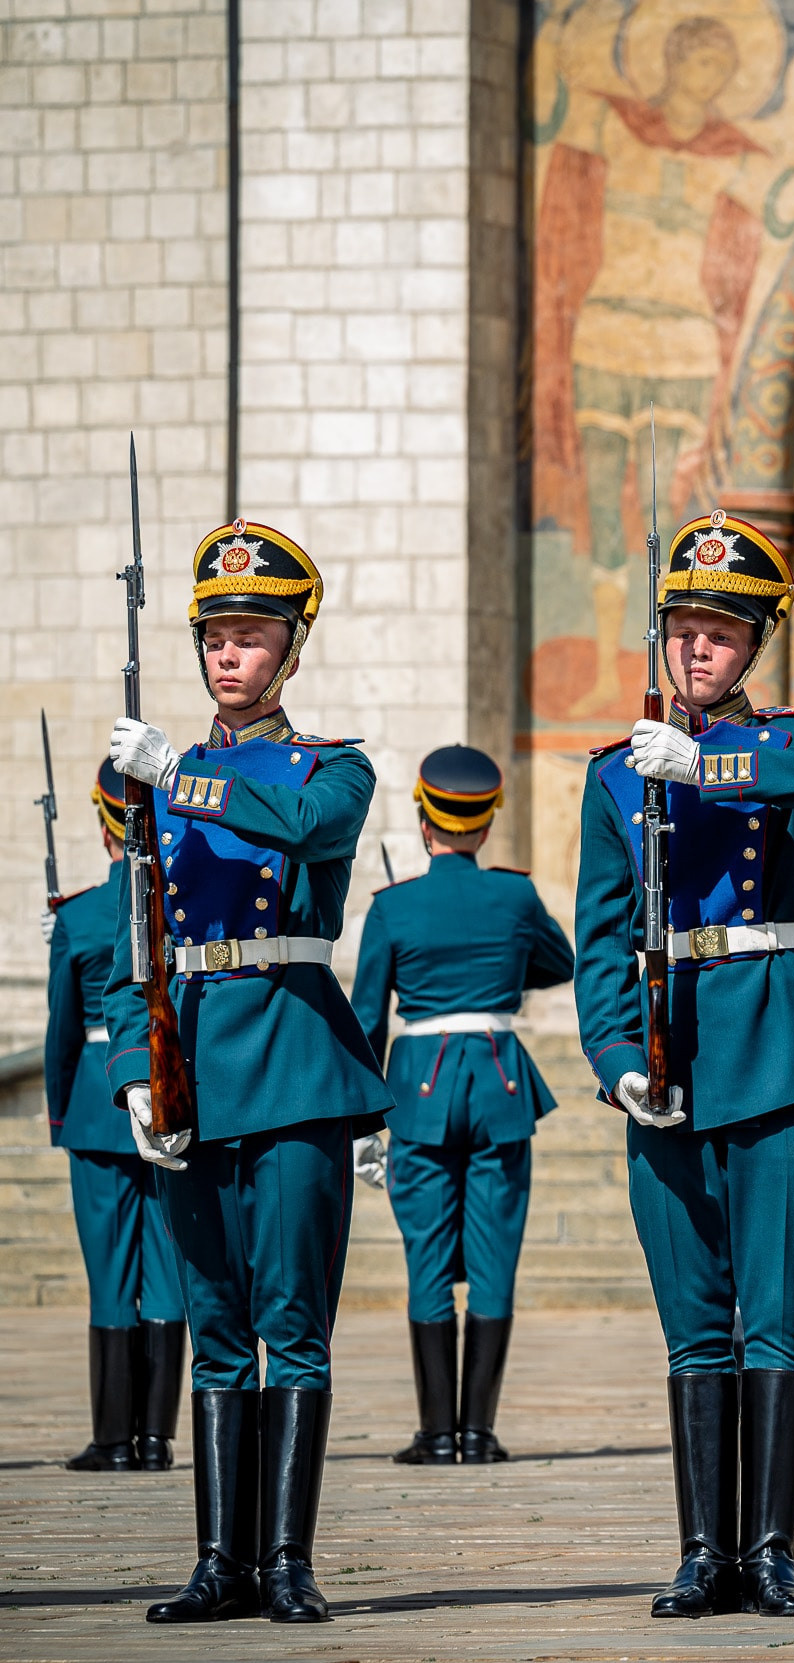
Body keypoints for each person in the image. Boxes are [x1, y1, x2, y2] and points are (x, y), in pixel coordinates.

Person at [573, 510, 794, 1619]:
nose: (697, 648)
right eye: (683, 629)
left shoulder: (791, 742)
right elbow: (599, 934)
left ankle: (773, 1549)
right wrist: (616, 1056)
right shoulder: (614, 775)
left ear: (755, 644)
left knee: (778, 1312)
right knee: (694, 1316)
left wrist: (707, 762)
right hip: (670, 1046)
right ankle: (705, 1550)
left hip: (781, 1044)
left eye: (722, 632)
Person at [106, 520, 395, 1624]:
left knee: (293, 1322)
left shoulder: (331, 766)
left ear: (291, 650)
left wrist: (177, 773)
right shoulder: (154, 781)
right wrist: (137, 1073)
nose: (229, 656)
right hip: (193, 1061)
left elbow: (305, 826)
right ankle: (220, 1563)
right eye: (215, 638)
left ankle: (286, 1560)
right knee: (215, 1325)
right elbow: (137, 948)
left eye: (252, 637)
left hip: (295, 1059)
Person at [351, 746, 575, 1465]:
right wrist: (499, 968)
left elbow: (366, 1019)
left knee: (426, 1257)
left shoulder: (393, 906)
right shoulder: (515, 897)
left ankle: (435, 1432)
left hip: (419, 1088)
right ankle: (478, 1431)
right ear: (486, 823)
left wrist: (361, 1124)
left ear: (425, 820)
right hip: (499, 1080)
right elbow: (561, 962)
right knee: (495, 1256)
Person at [46, 760, 186, 1473]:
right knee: (167, 1272)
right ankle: (157, 1438)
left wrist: (60, 1115)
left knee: (110, 1276)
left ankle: (111, 1440)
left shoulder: (75, 917)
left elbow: (62, 1035)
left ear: (107, 827)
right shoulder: (178, 903)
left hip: (97, 1116)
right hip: (165, 1092)